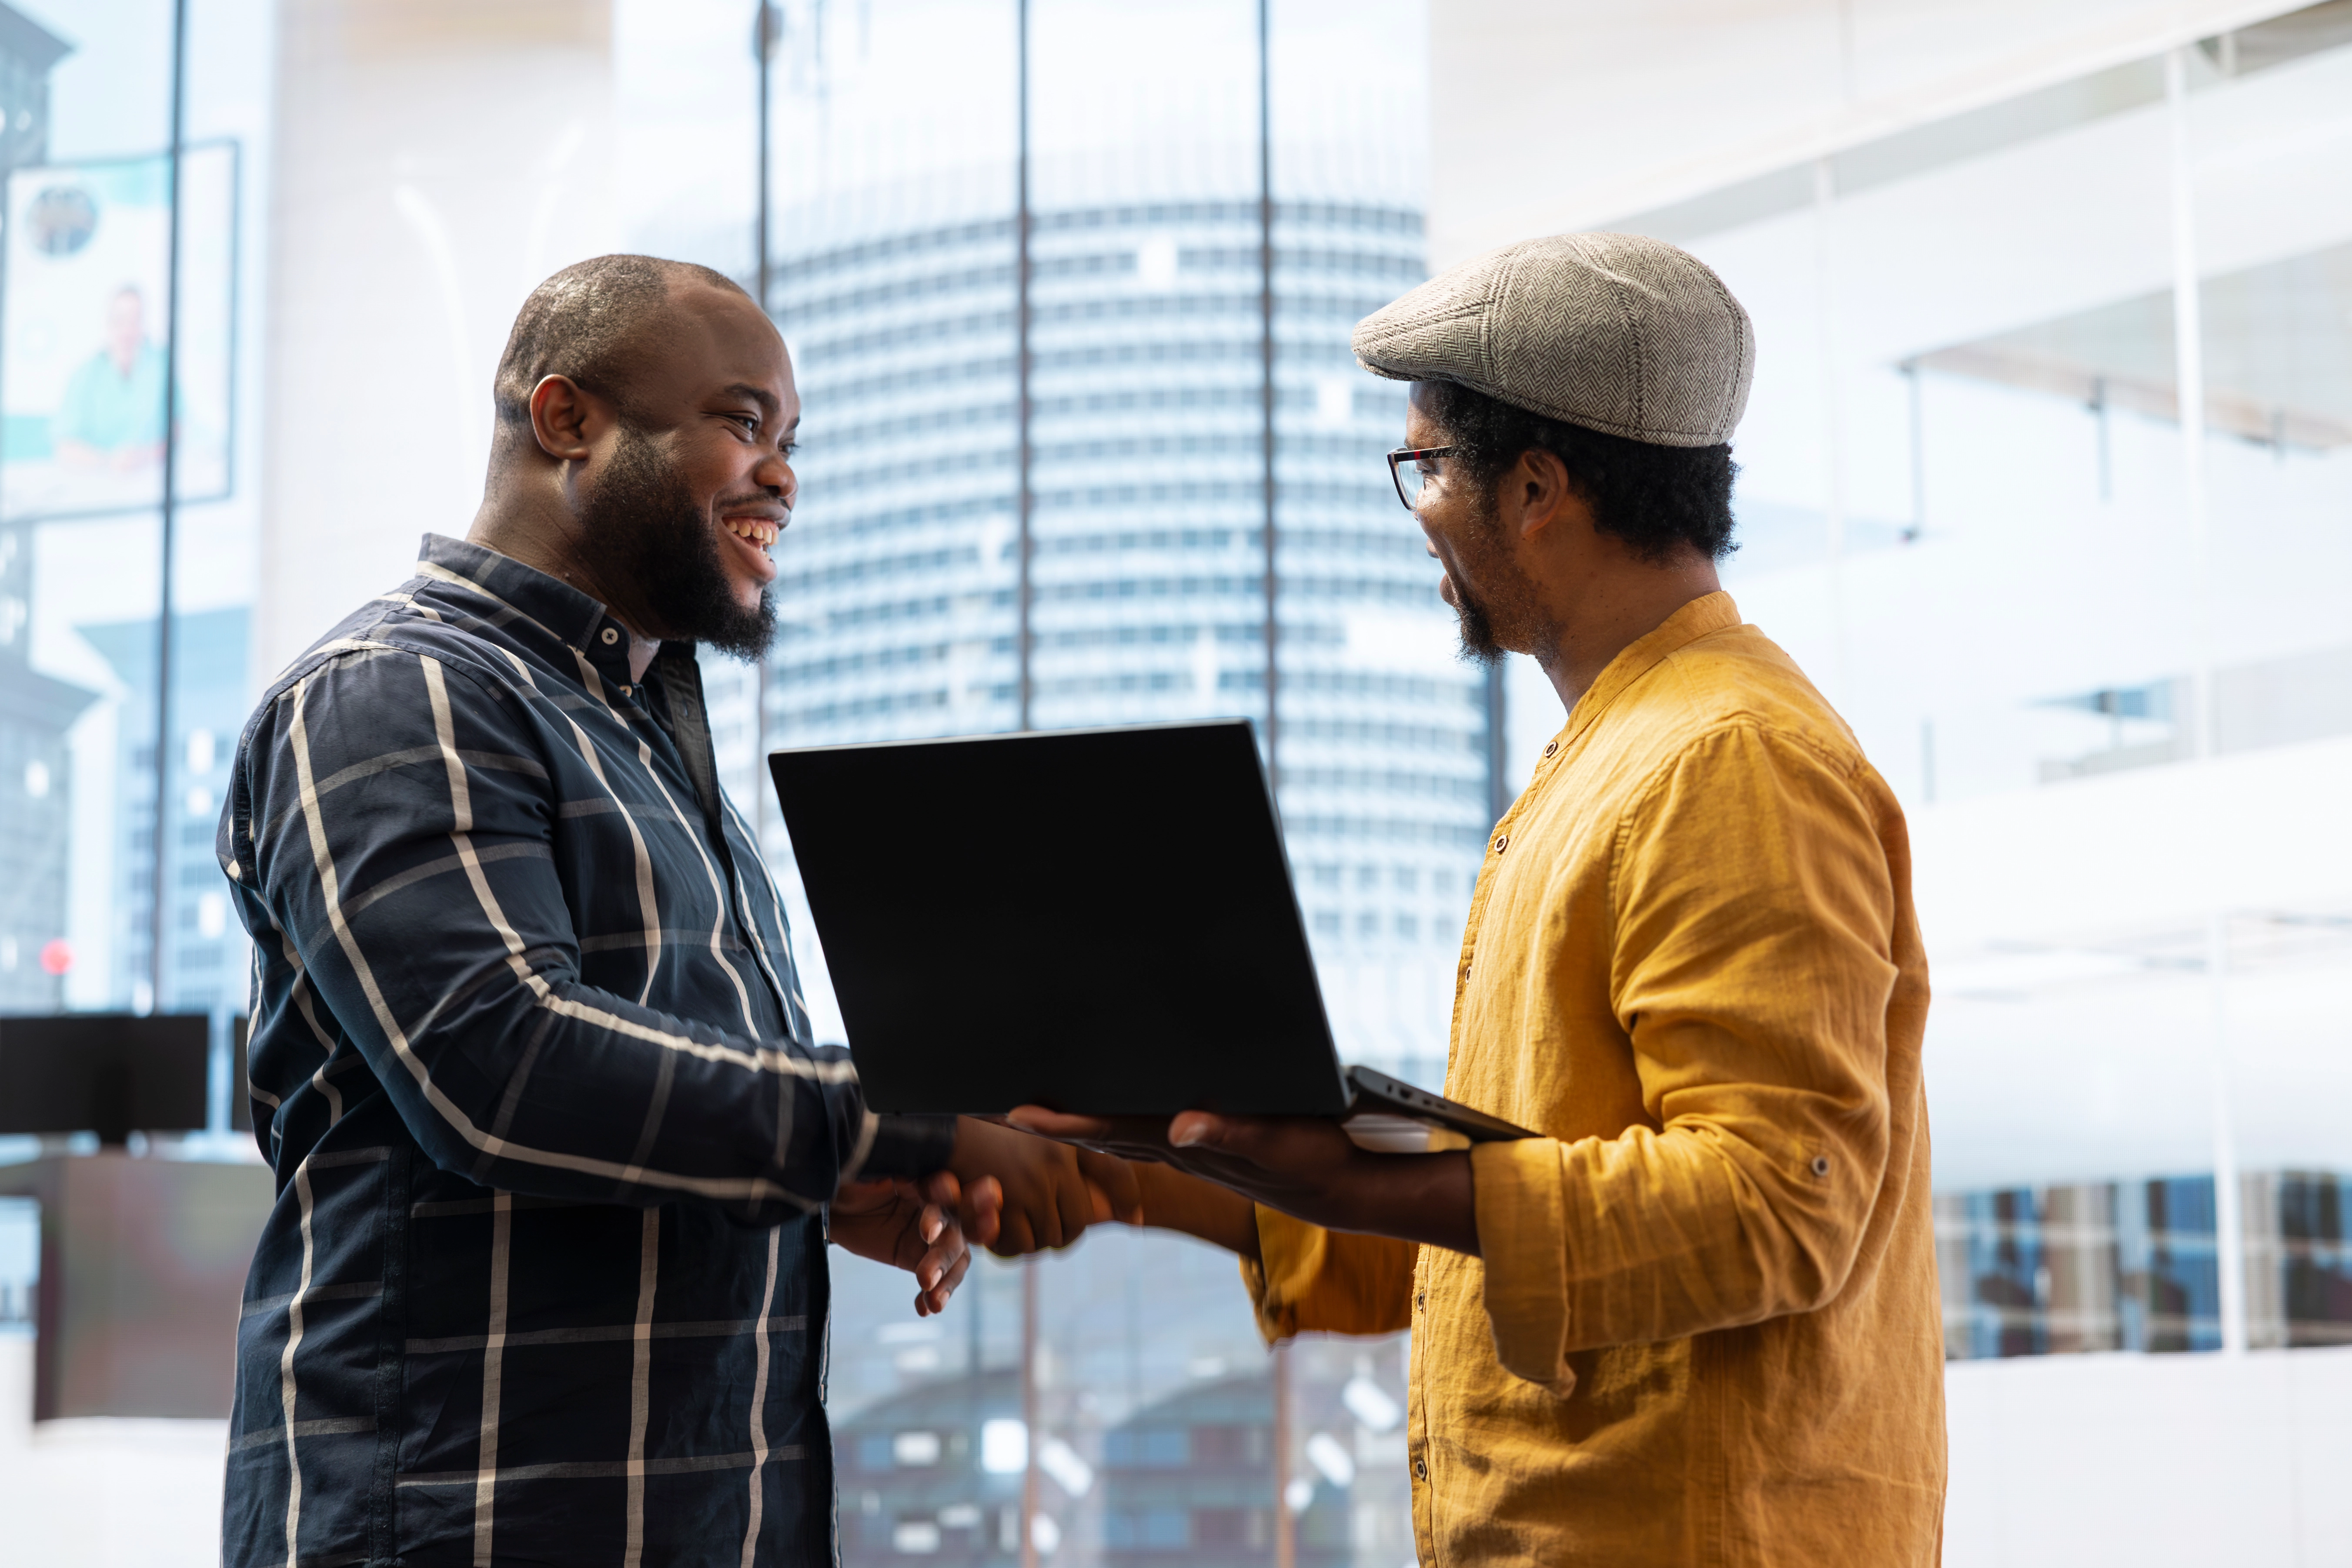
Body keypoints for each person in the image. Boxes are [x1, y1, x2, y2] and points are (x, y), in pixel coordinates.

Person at [1014, 233, 1945, 1565]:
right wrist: (1124, 1164)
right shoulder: (1624, 755)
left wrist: (1362, 1167)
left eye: (1427, 469)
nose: (1420, 516)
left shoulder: (1724, 758)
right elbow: (1488, 1240)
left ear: (1536, 487)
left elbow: (1772, 1203)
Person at [218, 255, 1134, 1568]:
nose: (783, 476)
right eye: (743, 422)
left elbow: (641, 1107)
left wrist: (826, 1189)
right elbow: (505, 1068)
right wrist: (906, 1124)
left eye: (791, 441)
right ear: (567, 419)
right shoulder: (396, 693)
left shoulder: (646, 747)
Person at [54, 284, 170, 472]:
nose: (127, 329)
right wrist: (109, 462)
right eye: (120, 320)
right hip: (98, 477)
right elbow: (65, 447)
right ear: (108, 323)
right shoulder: (86, 375)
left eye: (135, 320)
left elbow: (179, 430)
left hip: (153, 473)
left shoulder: (162, 365)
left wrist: (145, 456)